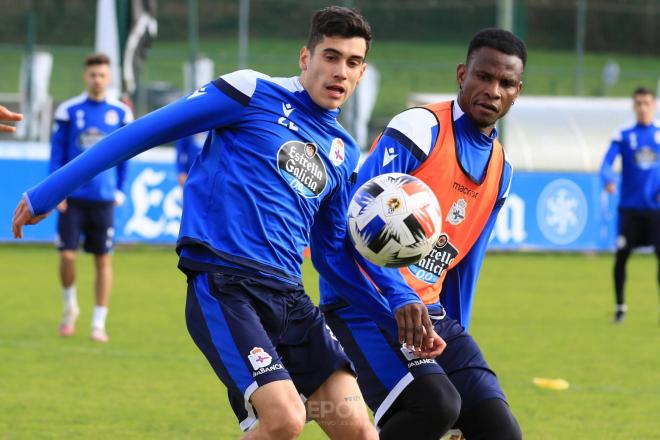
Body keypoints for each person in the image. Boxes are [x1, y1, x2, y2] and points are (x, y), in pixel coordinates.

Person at [12, 7, 439, 438]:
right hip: (226, 286)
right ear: (305, 58)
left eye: (352, 62)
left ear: (362, 72)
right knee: (285, 419)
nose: (340, 72)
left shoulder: (344, 151)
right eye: (330, 56)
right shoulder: (251, 91)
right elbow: (142, 133)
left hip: (291, 301)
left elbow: (334, 255)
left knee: (358, 431)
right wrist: (49, 190)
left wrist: (397, 306)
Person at [317, 28, 525, 440]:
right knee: (434, 405)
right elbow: (354, 223)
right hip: (363, 304)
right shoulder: (420, 128)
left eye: (505, 83)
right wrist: (398, 295)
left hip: (431, 316)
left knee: (499, 431)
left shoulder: (502, 171)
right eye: (483, 77)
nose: (492, 90)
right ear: (462, 75)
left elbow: (463, 267)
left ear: (517, 92)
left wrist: (456, 340)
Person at [49, 53, 133, 342]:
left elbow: (127, 155)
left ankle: (99, 322)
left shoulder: (120, 113)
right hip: (72, 197)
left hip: (104, 198)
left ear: (109, 78)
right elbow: (56, 154)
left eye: (102, 75)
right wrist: (54, 190)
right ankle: (70, 306)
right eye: (93, 75)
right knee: (67, 256)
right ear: (86, 76)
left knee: (102, 260)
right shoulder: (68, 110)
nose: (97, 80)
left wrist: (120, 189)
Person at [600, 86, 660, 323]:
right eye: (638, 103)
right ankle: (620, 307)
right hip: (630, 210)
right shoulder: (623, 135)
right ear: (634, 106)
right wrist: (608, 178)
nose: (643, 107)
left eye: (646, 102)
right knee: (622, 256)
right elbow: (606, 163)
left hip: (656, 211)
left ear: (653, 105)